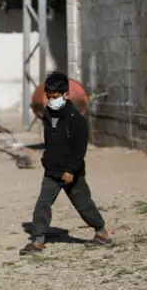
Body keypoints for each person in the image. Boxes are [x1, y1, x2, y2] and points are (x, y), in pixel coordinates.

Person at [19, 71, 112, 255]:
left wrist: (70, 170)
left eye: (56, 96)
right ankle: (37, 242)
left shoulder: (76, 119)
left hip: (72, 173)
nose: (53, 100)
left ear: (66, 95)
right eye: (50, 96)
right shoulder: (47, 115)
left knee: (84, 205)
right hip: (52, 171)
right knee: (42, 205)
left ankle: (101, 233)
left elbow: (79, 149)